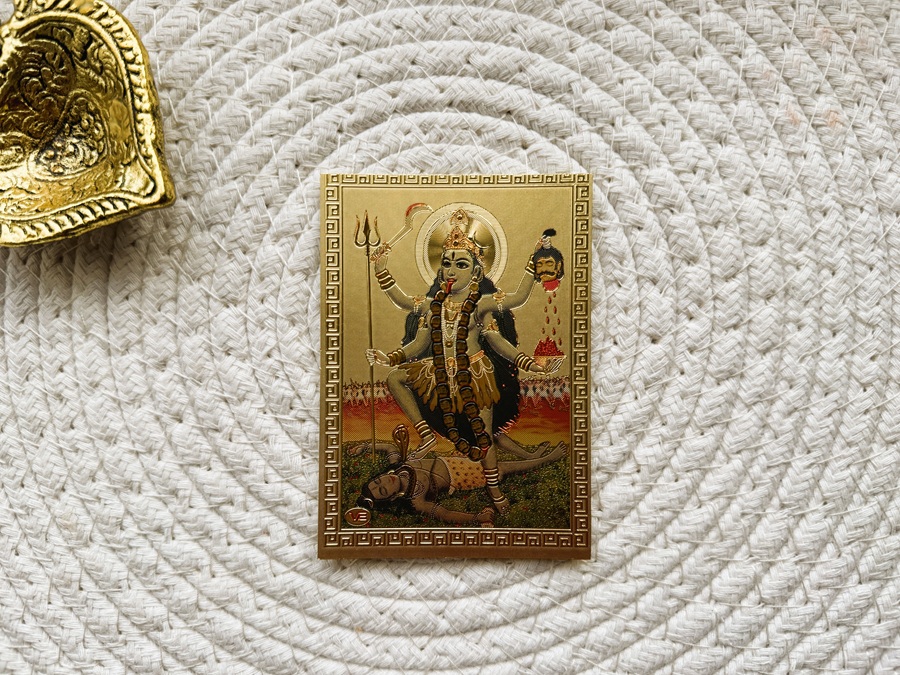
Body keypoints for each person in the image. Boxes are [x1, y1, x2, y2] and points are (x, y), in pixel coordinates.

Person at [365, 207, 554, 514]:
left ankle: (494, 490)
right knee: (395, 377)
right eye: (447, 263)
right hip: (438, 371)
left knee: (483, 436)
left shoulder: (482, 304)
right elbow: (416, 337)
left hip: (475, 375)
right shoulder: (432, 305)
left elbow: (515, 305)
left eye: (461, 264)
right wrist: (381, 270)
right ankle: (426, 434)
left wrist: (532, 364)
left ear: (476, 273)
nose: (451, 270)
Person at [357, 436, 568, 525]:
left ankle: (530, 455)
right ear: (392, 497)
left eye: (378, 481)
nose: (385, 482)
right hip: (462, 475)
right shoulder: (416, 499)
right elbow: (445, 514)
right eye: (383, 490)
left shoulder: (398, 465)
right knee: (500, 467)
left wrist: (365, 447)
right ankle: (546, 459)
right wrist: (477, 518)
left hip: (453, 457)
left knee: (488, 435)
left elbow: (389, 447)